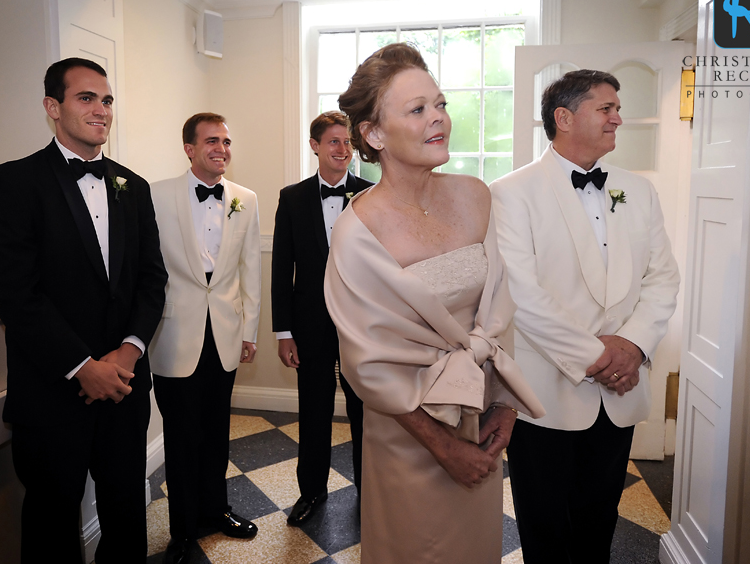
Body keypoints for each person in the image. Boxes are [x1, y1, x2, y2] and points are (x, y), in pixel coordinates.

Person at [324, 43, 546, 564]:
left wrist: (505, 404)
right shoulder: (358, 232)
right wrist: (444, 448)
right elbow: (367, 365)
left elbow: (499, 311)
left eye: (440, 104)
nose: (439, 119)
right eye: (417, 109)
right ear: (373, 134)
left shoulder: (476, 195)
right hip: (409, 436)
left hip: (478, 414)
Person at [489, 69, 681, 563]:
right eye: (607, 108)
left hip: (621, 391)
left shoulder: (638, 191)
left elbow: (663, 278)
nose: (619, 117)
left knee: (601, 515)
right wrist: (600, 357)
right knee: (545, 521)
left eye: (617, 108)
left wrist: (633, 346)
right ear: (564, 117)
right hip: (545, 391)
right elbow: (522, 294)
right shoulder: (510, 192)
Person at [0, 57, 167, 563]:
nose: (102, 109)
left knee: (127, 513)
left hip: (124, 389)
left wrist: (126, 356)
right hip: (51, 391)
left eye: (107, 100)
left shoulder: (135, 187)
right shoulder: (11, 183)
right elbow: (17, 294)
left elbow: (152, 280)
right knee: (51, 521)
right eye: (86, 98)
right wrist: (84, 368)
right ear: (52, 107)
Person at [149, 113, 261, 563]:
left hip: (227, 333)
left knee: (217, 431)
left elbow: (251, 267)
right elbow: (148, 269)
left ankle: (217, 511)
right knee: (181, 436)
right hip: (175, 333)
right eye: (212, 140)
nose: (222, 148)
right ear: (189, 149)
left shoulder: (246, 199)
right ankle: (181, 530)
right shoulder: (156, 195)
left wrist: (249, 329)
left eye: (227, 141)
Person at [271, 111, 372, 525]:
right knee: (313, 414)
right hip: (309, 326)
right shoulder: (292, 198)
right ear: (314, 145)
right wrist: (283, 331)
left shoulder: (371, 194)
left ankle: (372, 494)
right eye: (333, 142)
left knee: (365, 414)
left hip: (361, 327)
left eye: (347, 143)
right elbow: (281, 267)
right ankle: (311, 493)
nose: (343, 150)